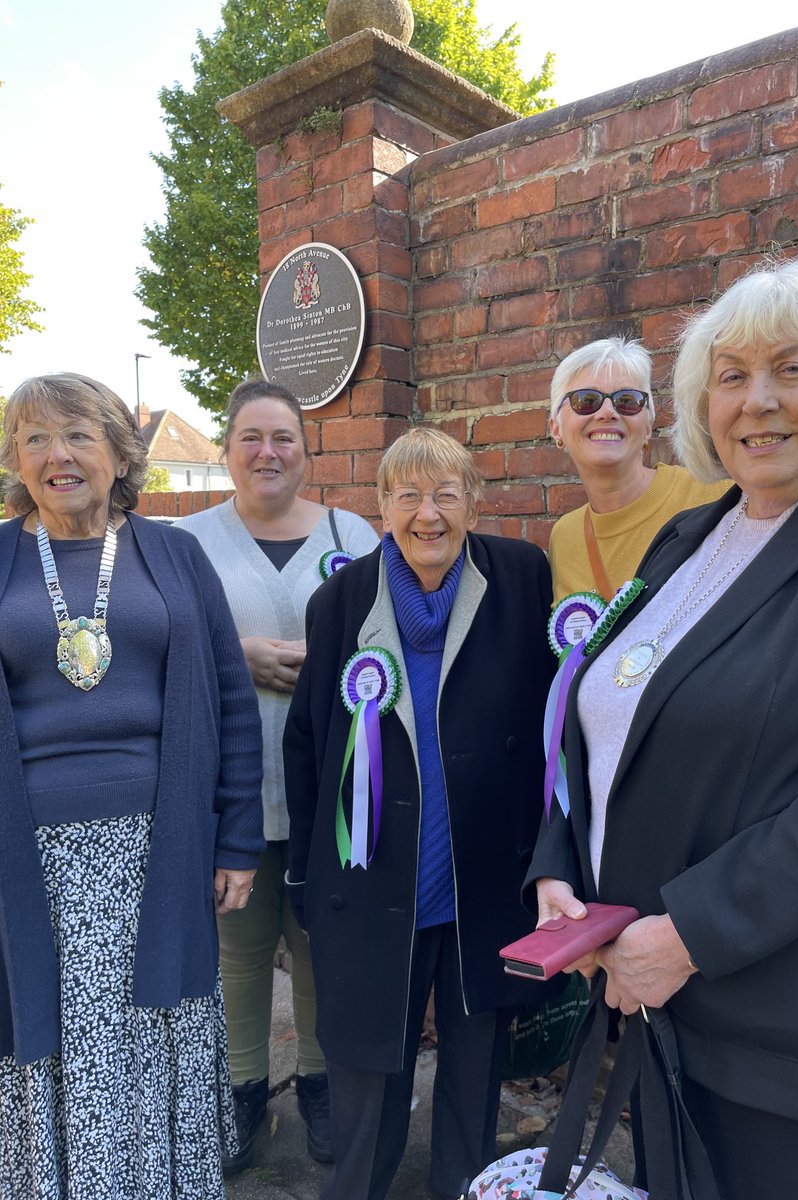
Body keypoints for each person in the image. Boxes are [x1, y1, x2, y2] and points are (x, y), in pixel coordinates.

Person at [528, 256, 798, 1200]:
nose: (757, 400)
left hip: (785, 1037)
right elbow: (603, 714)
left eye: (792, 368)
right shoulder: (694, 536)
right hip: (662, 1010)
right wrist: (559, 863)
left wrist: (689, 932)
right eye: (731, 377)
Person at [0, 373, 264, 1199]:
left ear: (120, 453)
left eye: (78, 435)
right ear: (15, 458)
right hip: (29, 852)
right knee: (58, 1031)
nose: (58, 455)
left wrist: (237, 838)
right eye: (35, 438)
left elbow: (230, 696)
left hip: (165, 841)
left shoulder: (175, 554)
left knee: (153, 1026)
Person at [283, 426, 558, 1200]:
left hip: (483, 874)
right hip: (373, 877)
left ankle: (464, 1186)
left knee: (477, 1061)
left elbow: (550, 725)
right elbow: (308, 742)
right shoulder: (339, 603)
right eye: (407, 494)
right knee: (369, 1063)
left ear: (475, 500)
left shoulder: (521, 574)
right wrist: (307, 873)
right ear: (381, 506)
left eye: (445, 493)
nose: (427, 513)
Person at [182, 378, 379, 1172]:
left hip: (333, 793)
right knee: (238, 951)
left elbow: (391, 635)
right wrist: (240, 655)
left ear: (307, 450)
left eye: (284, 438)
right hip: (228, 792)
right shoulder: (184, 542)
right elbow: (157, 644)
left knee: (322, 948)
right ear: (227, 450)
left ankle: (321, 1085)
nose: (268, 452)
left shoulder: (353, 532)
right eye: (251, 437)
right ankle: (242, 1091)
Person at [548, 336, 730, 603]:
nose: (607, 412)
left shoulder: (713, 493)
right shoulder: (564, 537)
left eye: (627, 400)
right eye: (586, 400)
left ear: (647, 427)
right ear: (556, 429)